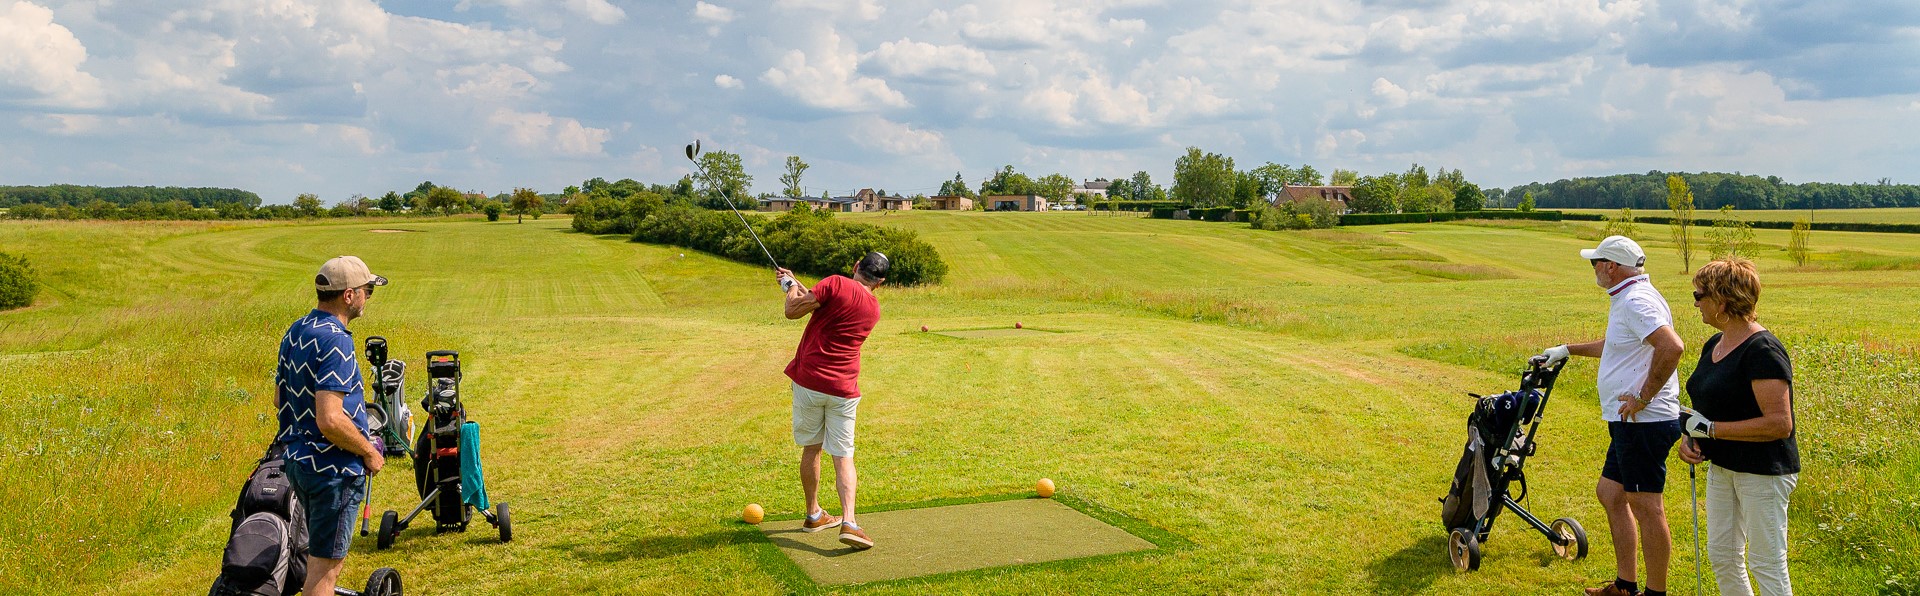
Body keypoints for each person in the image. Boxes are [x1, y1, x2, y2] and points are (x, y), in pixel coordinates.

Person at [1535, 236, 1685, 596]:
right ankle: (1624, 585)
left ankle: (1654, 592)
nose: (1594, 269)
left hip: (1644, 423)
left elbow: (1672, 346)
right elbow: (1618, 344)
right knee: (1611, 493)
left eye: (1595, 263)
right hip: (1629, 423)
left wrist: (1642, 397)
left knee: (1646, 505)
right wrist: (1567, 350)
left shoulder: (1636, 301)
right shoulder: (1629, 297)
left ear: (1611, 266)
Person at [1675, 257, 1798, 595]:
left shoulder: (1762, 350)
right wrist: (1692, 437)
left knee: (1766, 563)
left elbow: (1778, 424)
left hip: (1762, 472)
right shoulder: (1714, 345)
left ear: (1722, 302)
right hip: (1723, 468)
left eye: (1700, 296)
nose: (1696, 303)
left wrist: (1712, 430)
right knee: (1724, 557)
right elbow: (1707, 404)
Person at [276, 256, 387, 594]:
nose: (369, 296)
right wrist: (368, 451)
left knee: (317, 557)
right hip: (332, 473)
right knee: (325, 573)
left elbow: (281, 401)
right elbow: (330, 419)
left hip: (298, 464)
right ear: (349, 295)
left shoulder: (297, 330)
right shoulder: (337, 340)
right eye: (368, 290)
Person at [778, 252, 888, 550]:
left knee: (812, 448)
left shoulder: (835, 283)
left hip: (810, 382)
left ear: (856, 267)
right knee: (843, 456)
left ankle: (813, 513)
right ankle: (849, 521)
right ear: (880, 283)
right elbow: (822, 301)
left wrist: (789, 286)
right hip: (843, 389)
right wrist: (797, 283)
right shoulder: (874, 308)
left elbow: (793, 310)